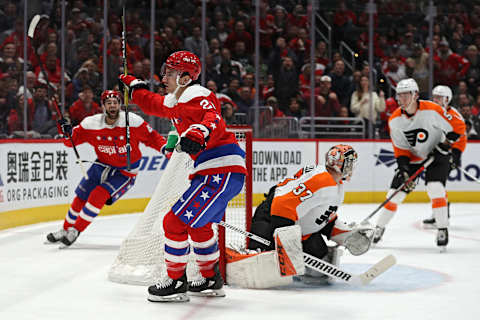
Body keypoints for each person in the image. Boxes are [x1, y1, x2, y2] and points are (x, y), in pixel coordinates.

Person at [119, 50, 247, 302]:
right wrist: (136, 87)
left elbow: (211, 116)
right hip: (214, 172)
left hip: (219, 170)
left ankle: (176, 281)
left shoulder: (198, 95)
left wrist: (198, 132)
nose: (163, 77)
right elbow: (154, 105)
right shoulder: (178, 103)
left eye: (169, 72)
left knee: (173, 223)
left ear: (186, 78)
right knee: (198, 225)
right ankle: (211, 278)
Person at [46, 90, 167, 246]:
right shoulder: (91, 124)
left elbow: (152, 138)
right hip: (102, 165)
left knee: (98, 195)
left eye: (115, 103)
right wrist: (65, 130)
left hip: (125, 172)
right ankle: (65, 229)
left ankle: (76, 230)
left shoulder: (132, 122)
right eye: (108, 103)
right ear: (103, 106)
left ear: (120, 105)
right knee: (81, 196)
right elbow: (70, 142)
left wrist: (166, 149)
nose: (112, 106)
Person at [246, 144, 374, 284]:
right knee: (265, 263)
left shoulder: (334, 184)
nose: (351, 169)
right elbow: (282, 204)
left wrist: (347, 235)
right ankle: (261, 251)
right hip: (270, 220)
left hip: (295, 226)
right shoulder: (323, 180)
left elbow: (322, 217)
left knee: (319, 263)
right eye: (351, 165)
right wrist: (286, 242)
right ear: (344, 165)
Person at [373, 79, 466, 250]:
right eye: (399, 95)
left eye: (405, 94)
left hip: (437, 156)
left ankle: (442, 228)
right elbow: (400, 149)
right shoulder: (395, 120)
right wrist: (404, 169)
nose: (401, 98)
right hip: (414, 158)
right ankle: (378, 229)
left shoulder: (432, 109)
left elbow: (458, 128)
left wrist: (444, 145)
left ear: (415, 95)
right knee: (395, 193)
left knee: (435, 187)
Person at [422, 85, 467, 227]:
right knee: (433, 185)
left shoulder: (454, 116)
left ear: (447, 99)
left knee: (437, 184)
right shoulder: (430, 113)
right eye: (434, 97)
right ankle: (440, 211)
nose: (435, 100)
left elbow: (461, 137)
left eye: (439, 98)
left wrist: (456, 155)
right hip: (435, 153)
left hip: (447, 155)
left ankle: (440, 213)